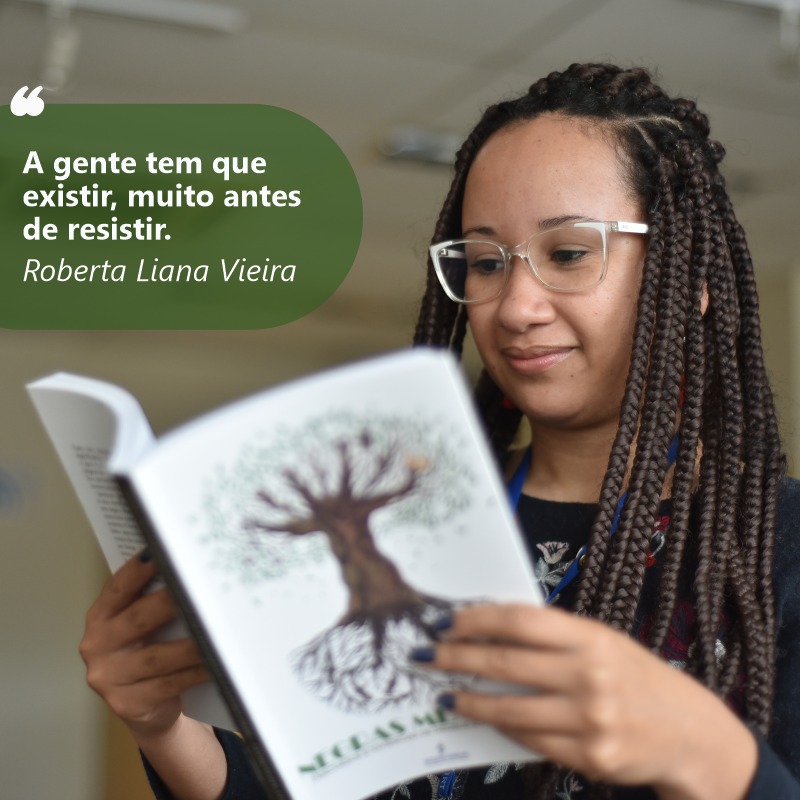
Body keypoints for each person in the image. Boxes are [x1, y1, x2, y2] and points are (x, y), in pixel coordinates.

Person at [79, 63, 800, 800]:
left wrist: (704, 748)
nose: (515, 306)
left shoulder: (780, 549)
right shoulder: (405, 518)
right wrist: (163, 726)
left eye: (568, 253)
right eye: (485, 262)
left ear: (692, 278)